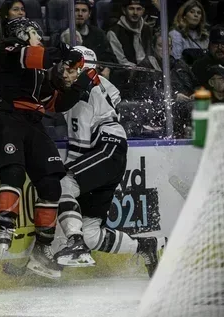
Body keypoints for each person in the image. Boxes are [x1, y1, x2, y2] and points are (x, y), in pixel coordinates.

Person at [0, 17, 100, 279]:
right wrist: (63, 52)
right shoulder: (7, 50)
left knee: (52, 183)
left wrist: (82, 83)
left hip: (33, 122)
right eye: (36, 34)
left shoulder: (39, 70)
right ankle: (6, 228)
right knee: (13, 172)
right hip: (8, 116)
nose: (39, 38)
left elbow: (55, 104)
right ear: (23, 33)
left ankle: (42, 249)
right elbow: (34, 55)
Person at [53, 46, 166, 278]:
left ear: (83, 68)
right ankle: (146, 247)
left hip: (104, 149)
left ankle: (74, 245)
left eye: (70, 68)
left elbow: (81, 141)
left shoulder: (85, 92)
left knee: (64, 184)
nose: (65, 73)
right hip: (111, 154)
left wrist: (68, 171)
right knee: (92, 233)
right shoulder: (101, 87)